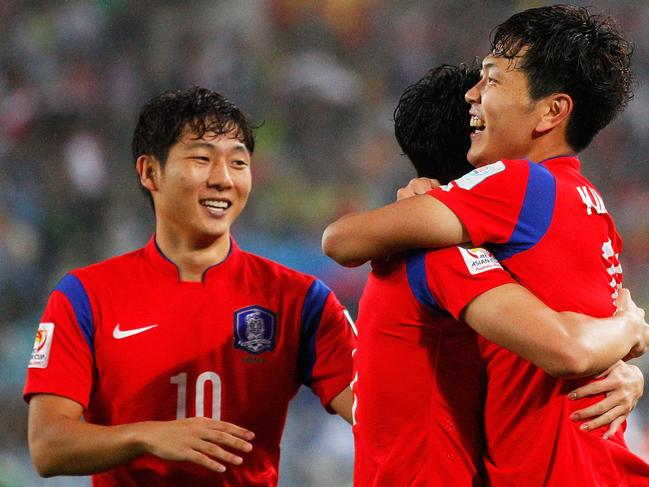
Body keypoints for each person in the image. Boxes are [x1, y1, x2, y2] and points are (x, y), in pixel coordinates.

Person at [324, 5, 649, 485]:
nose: (474, 95)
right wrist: (631, 336)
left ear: (552, 111)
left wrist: (628, 337)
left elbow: (342, 239)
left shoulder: (513, 187)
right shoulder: (589, 203)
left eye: (492, 81)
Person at [23, 87, 355, 486]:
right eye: (202, 159)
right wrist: (147, 435)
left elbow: (380, 411)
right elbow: (47, 446)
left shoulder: (300, 300)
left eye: (238, 162)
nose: (223, 179)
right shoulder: (85, 296)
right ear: (149, 172)